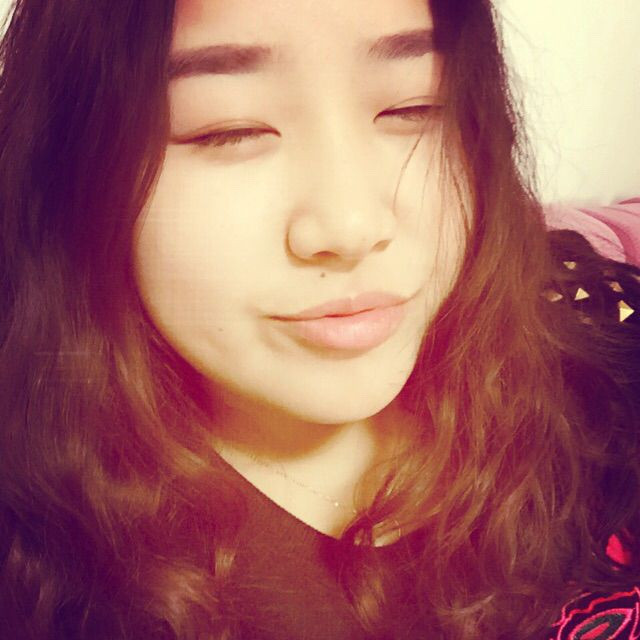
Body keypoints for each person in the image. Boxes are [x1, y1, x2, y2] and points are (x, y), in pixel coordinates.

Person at [0, 1, 639, 639]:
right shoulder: (49, 569)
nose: (351, 227)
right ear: (72, 177)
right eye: (227, 130)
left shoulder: (595, 367)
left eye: (414, 108)